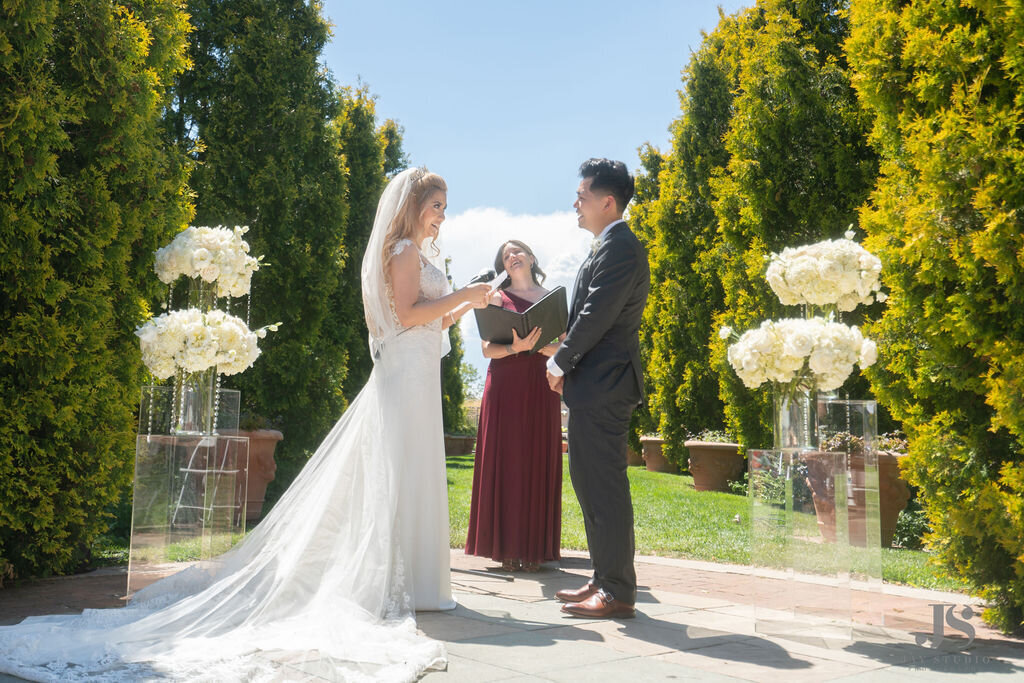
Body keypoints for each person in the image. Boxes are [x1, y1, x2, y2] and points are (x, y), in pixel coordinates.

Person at [0, 167, 492, 681]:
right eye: (436, 205)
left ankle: (415, 578)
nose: (441, 216)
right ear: (411, 205)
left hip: (415, 377)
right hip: (404, 380)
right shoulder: (404, 252)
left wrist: (467, 303)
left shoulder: (414, 253)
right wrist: (465, 295)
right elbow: (410, 313)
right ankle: (402, 580)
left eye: (444, 207)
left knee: (410, 471)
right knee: (398, 470)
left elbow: (424, 317)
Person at [546, 158, 650, 619]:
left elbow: (596, 314)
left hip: (607, 384)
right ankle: (603, 576)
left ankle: (618, 591)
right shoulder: (604, 246)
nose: (576, 203)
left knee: (604, 484)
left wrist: (560, 360)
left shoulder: (621, 247)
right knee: (590, 482)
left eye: (583, 196)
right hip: (595, 385)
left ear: (608, 202)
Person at [465, 240, 562, 572]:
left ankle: (534, 549)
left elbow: (565, 348)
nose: (512, 257)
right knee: (505, 460)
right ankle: (504, 547)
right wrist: (515, 348)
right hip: (504, 386)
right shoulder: (495, 299)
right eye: (506, 256)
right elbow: (487, 350)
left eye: (518, 251)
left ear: (532, 257)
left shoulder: (553, 300)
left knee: (536, 458)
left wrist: (534, 347)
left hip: (541, 386)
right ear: (503, 266)